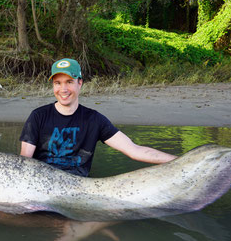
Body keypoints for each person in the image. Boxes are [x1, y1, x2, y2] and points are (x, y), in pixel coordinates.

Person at [20, 58, 176, 177]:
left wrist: (181, 161)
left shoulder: (94, 120)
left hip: (78, 187)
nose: (63, 89)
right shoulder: (38, 116)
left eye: (69, 82)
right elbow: (24, 164)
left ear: (80, 83)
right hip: (40, 183)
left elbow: (134, 150)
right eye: (57, 83)